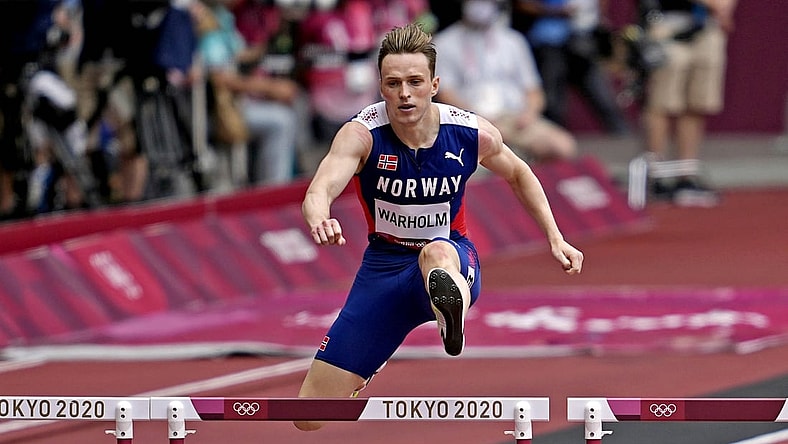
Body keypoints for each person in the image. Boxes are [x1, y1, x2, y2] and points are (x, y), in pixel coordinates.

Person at [294, 22, 584, 432]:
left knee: (436, 251)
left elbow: (520, 173)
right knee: (308, 417)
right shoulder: (362, 135)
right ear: (381, 87)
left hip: (451, 256)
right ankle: (374, 355)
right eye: (393, 83)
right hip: (384, 267)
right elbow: (319, 188)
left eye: (415, 82)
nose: (404, 94)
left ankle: (452, 311)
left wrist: (556, 237)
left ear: (435, 85)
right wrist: (319, 216)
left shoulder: (470, 132)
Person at [432, 0, 577, 163]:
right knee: (473, 158)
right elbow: (445, 94)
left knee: (562, 146)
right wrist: (477, 119)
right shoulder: (444, 43)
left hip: (515, 118)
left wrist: (529, 114)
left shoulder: (513, 41)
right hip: (471, 119)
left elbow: (533, 90)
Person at [638, 0, 737, 206]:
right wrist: (715, 4)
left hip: (707, 27)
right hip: (668, 25)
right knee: (661, 103)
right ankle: (657, 176)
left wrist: (725, 7)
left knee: (696, 104)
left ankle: (686, 175)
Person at [512, 0, 631, 135]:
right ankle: (555, 149)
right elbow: (523, 4)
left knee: (603, 97)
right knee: (553, 105)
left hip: (582, 42)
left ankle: (622, 139)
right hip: (550, 44)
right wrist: (554, 12)